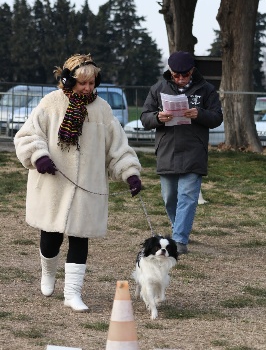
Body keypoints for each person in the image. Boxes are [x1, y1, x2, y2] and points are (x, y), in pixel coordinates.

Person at [14, 53, 142, 312]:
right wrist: (39, 156)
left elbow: (117, 146)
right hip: (53, 182)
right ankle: (48, 272)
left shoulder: (102, 109)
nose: (87, 88)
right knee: (50, 238)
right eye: (82, 83)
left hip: (88, 187)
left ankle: (72, 293)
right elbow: (28, 134)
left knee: (80, 239)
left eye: (92, 83)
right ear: (68, 80)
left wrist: (130, 173)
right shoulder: (51, 103)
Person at [140, 51, 223, 254]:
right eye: (176, 75)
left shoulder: (207, 90)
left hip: (194, 150)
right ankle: (179, 228)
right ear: (170, 71)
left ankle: (179, 239)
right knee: (170, 197)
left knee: (188, 195)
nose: (179, 79)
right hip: (167, 149)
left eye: (184, 75)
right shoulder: (158, 89)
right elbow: (145, 118)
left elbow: (217, 118)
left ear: (192, 71)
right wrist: (158, 117)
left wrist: (199, 114)